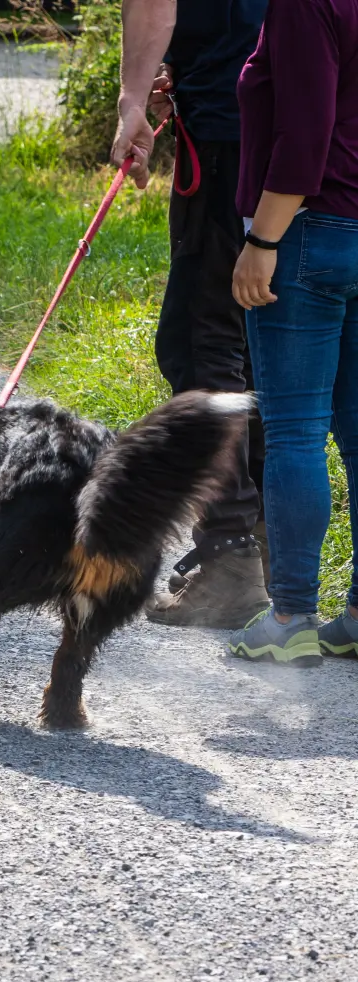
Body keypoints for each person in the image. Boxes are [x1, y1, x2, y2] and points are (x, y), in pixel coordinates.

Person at [112, 0, 271, 628]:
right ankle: (260, 539)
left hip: (232, 125)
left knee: (201, 342)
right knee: (258, 336)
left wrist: (130, 103)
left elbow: (156, 3)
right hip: (298, 124)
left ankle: (231, 558)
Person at [225, 0, 358, 665]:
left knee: (297, 429)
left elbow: (306, 135)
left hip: (308, 234)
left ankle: (292, 615)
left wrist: (262, 239)